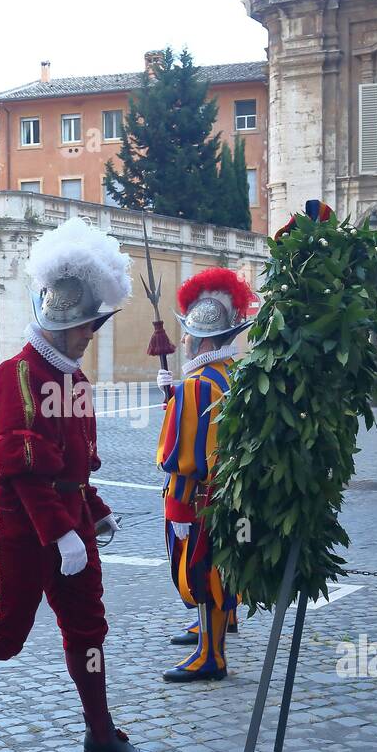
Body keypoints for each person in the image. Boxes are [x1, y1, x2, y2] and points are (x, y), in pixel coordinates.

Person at [0, 218, 156, 752]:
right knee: (5, 631)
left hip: (68, 523)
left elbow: (74, 466)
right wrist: (61, 533)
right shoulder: (16, 376)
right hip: (22, 528)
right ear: (58, 321)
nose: (90, 334)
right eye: (85, 326)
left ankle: (100, 732)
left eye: (94, 325)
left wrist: (91, 510)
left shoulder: (73, 379)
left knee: (87, 626)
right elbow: (18, 466)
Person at [155, 268, 255, 683]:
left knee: (201, 570)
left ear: (201, 338)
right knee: (221, 567)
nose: (182, 341)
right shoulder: (231, 373)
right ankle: (220, 623)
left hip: (200, 497)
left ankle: (210, 655)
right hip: (230, 493)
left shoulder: (197, 384)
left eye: (187, 334)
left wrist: (176, 504)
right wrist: (171, 397)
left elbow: (184, 455)